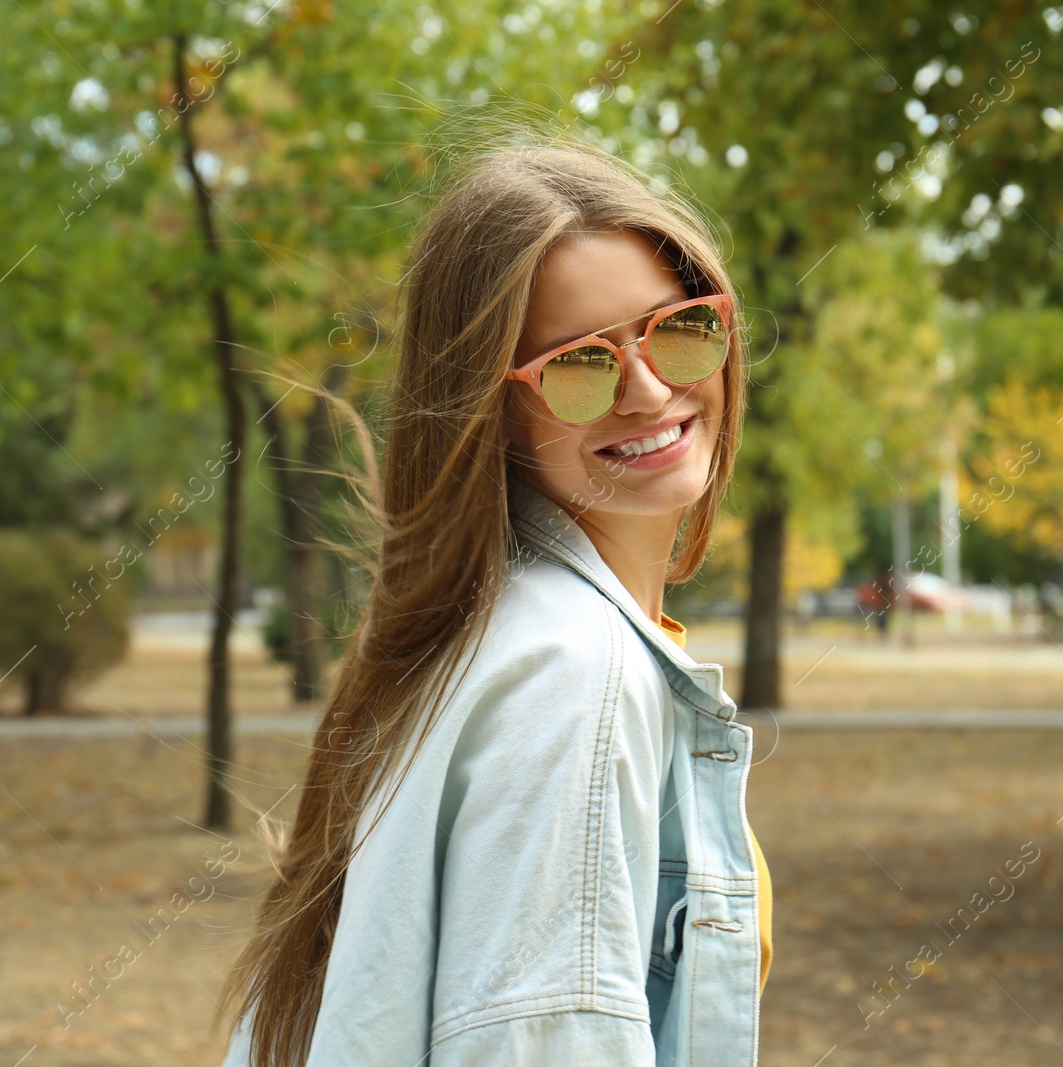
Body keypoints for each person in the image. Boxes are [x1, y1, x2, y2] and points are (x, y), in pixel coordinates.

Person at [217, 135, 770, 1066]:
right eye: (579, 364)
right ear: (494, 410)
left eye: (679, 328)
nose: (648, 389)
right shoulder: (572, 678)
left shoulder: (502, 638)